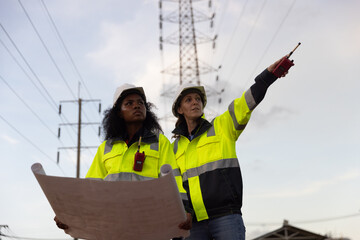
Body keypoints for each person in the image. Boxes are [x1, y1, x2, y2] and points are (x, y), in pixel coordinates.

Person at [171, 57, 292, 240]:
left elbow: (245, 103)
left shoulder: (221, 127)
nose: (195, 102)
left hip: (226, 216)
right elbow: (175, 187)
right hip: (193, 224)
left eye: (197, 99)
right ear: (179, 109)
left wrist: (267, 77)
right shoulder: (173, 149)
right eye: (188, 100)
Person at [54, 83, 192, 236]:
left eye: (141, 103)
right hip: (113, 226)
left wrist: (183, 210)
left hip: (149, 224)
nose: (137, 106)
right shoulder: (106, 148)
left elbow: (173, 179)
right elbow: (90, 188)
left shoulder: (160, 142)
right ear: (118, 113)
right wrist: (69, 214)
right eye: (129, 103)